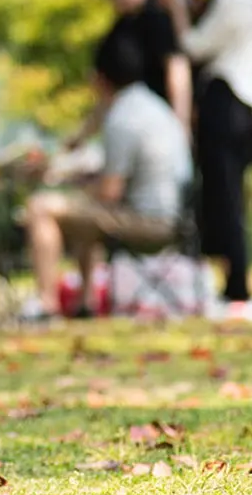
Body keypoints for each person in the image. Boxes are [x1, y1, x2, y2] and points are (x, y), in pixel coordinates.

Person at [25, 31, 193, 318]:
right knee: (81, 212)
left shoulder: (122, 118)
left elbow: (109, 193)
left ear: (99, 78)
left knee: (41, 208)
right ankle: (86, 302)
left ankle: (47, 303)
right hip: (177, 218)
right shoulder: (153, 106)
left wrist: (65, 184)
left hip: (150, 225)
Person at [154, 0, 252, 314]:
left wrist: (175, 7)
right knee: (229, 198)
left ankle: (236, 288)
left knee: (224, 200)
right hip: (244, 105)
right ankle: (233, 284)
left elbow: (193, 46)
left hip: (225, 102)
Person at [67, 0, 193, 150]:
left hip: (160, 128)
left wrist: (181, 128)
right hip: (130, 128)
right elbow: (107, 95)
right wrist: (81, 137)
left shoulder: (158, 20)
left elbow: (177, 73)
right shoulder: (117, 32)